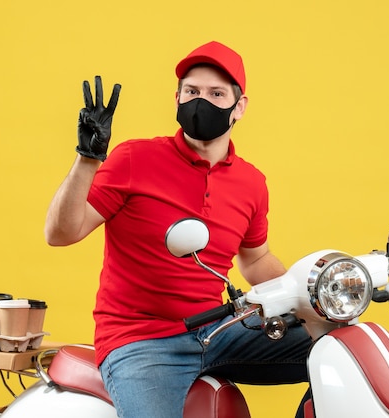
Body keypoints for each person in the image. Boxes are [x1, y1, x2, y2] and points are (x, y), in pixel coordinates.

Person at [45, 41, 313, 418]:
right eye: (192, 92)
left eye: (216, 93)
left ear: (239, 107)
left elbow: (255, 260)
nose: (200, 102)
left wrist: (310, 299)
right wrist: (88, 158)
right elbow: (61, 233)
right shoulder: (134, 159)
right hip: (141, 341)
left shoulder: (251, 182)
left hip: (219, 330)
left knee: (340, 349)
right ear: (176, 99)